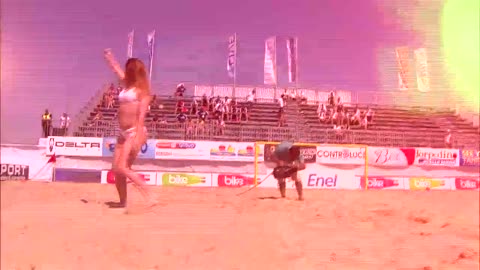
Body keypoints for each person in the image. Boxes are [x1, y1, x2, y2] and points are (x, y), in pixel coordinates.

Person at [103, 48, 155, 208]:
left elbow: (141, 117)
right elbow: (117, 70)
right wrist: (110, 59)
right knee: (115, 169)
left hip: (134, 131)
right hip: (122, 132)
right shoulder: (127, 85)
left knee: (123, 167)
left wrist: (137, 137)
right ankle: (123, 202)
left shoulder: (143, 92)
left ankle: (150, 195)